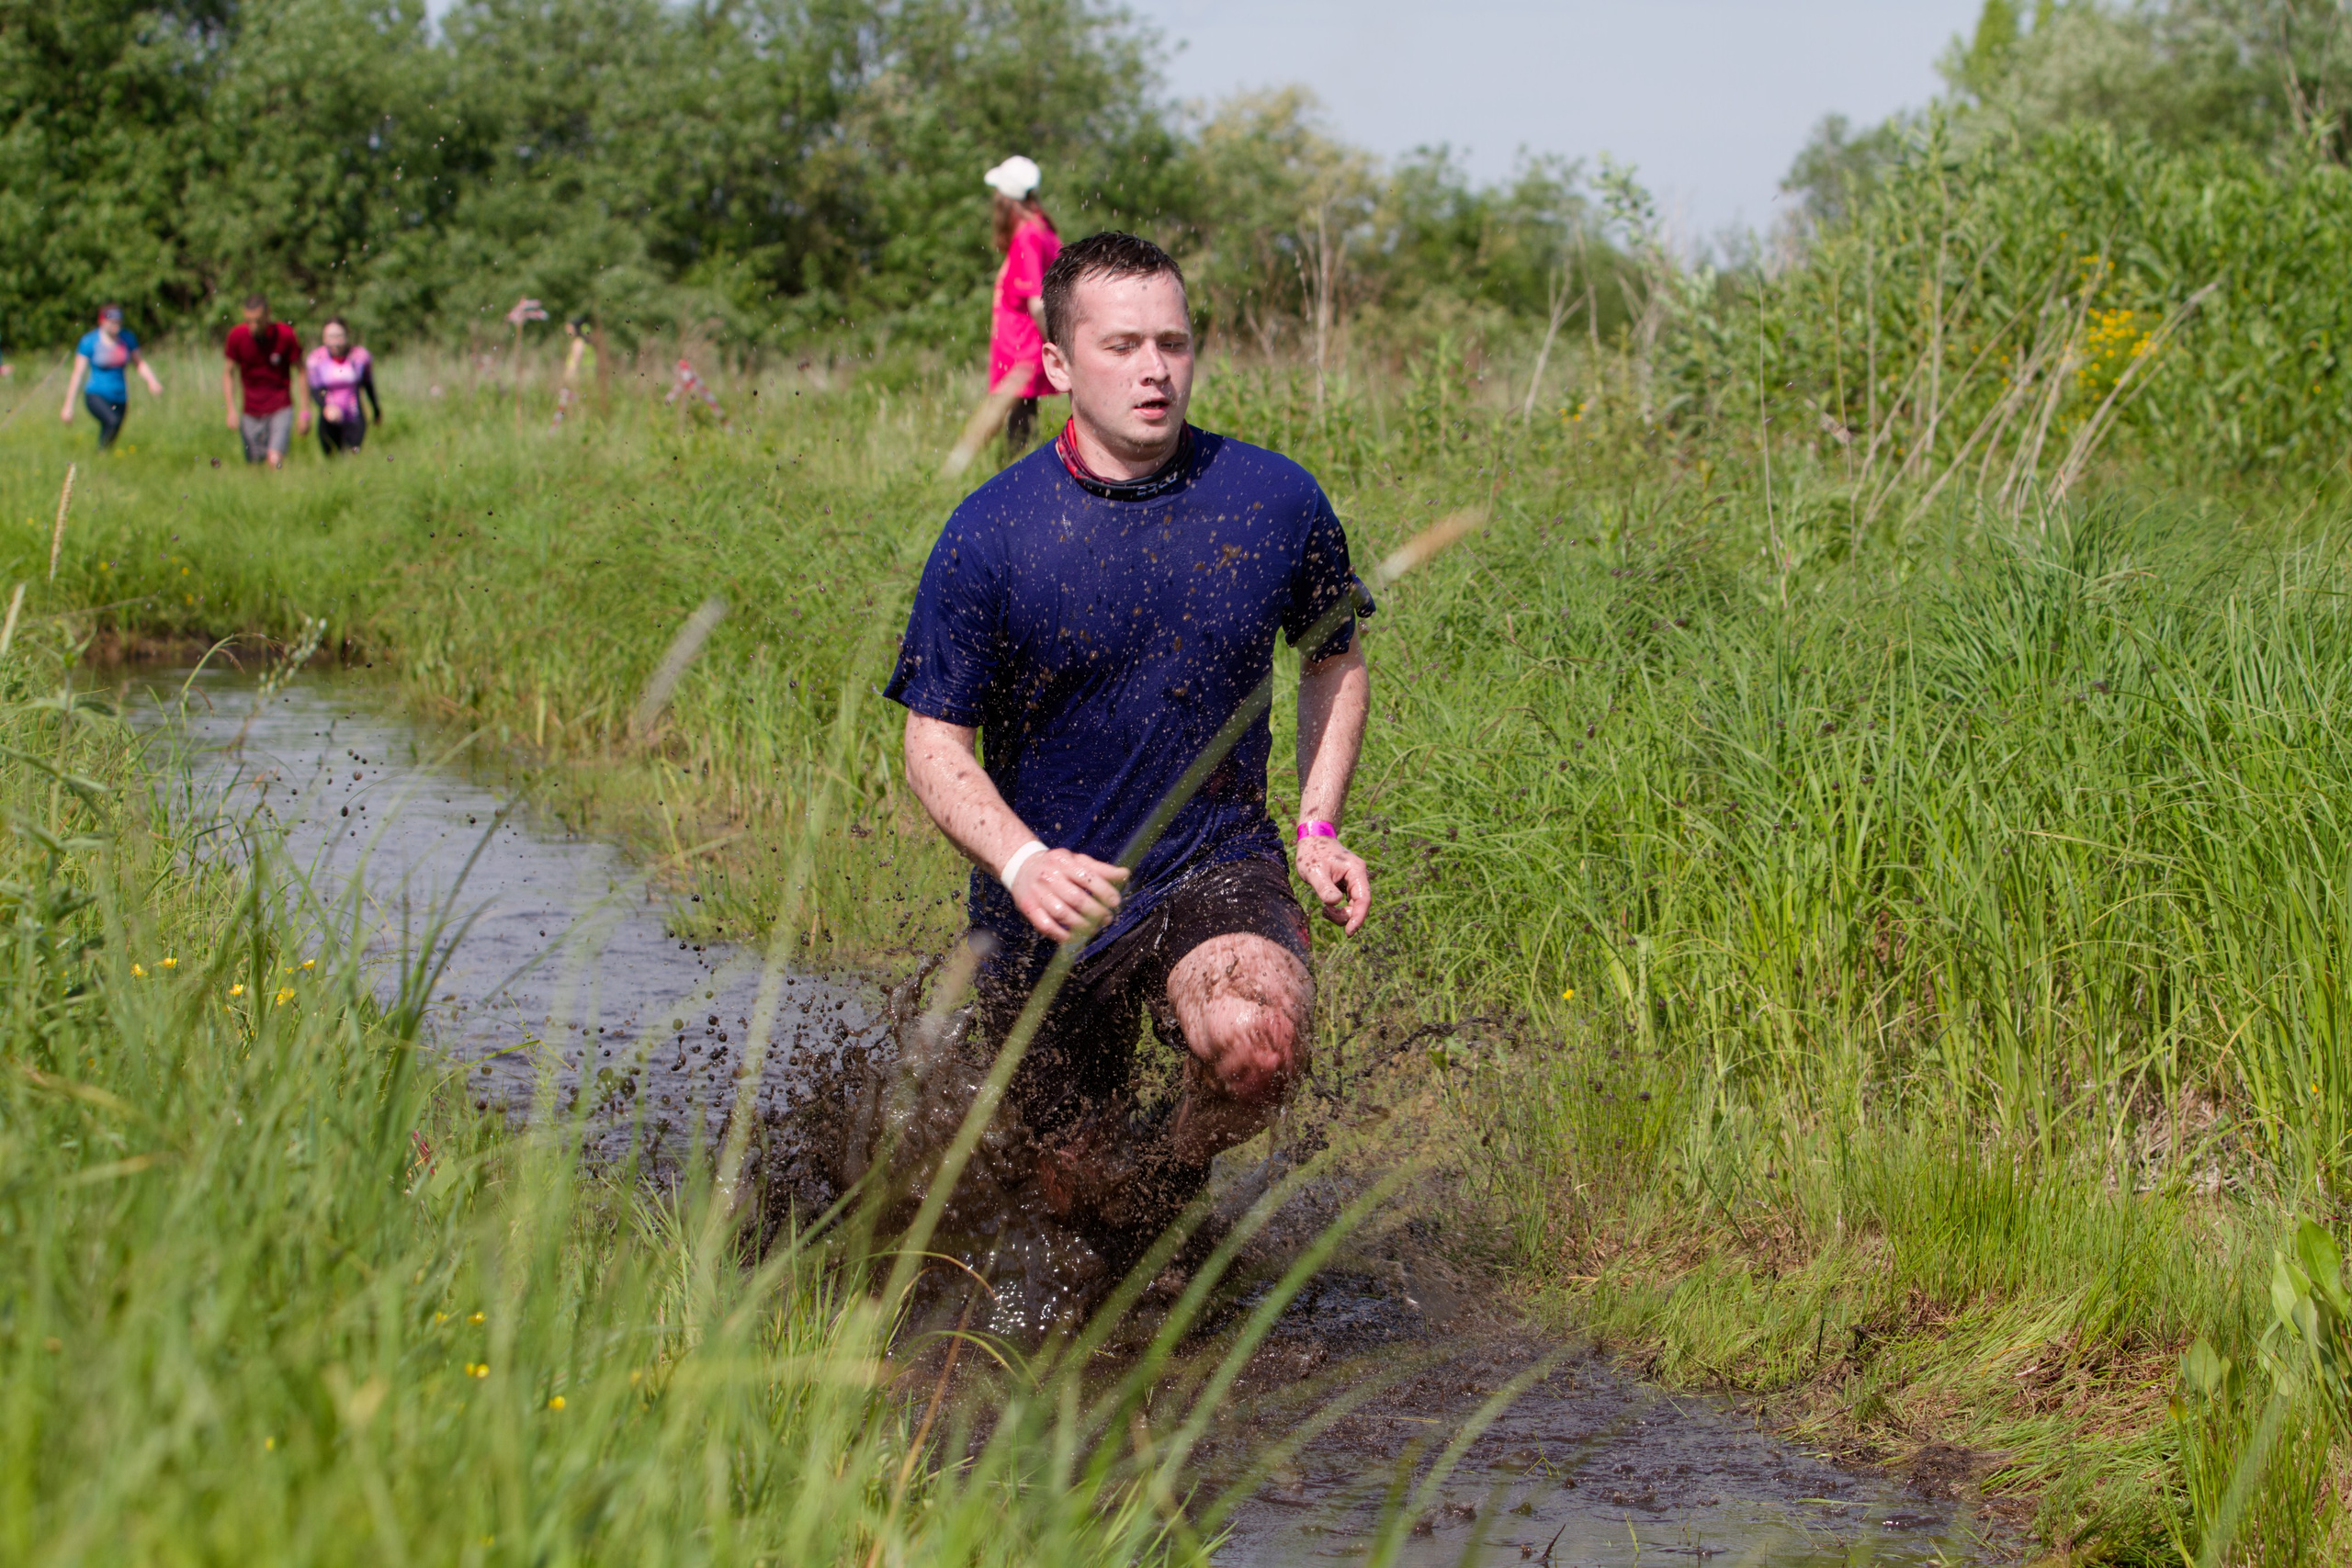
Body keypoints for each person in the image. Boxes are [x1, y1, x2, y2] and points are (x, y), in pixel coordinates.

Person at [888, 231, 1375, 1265]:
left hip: (1212, 867)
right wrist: (1020, 862)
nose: (1153, 369)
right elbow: (933, 742)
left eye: (1173, 342)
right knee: (1072, 1206)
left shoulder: (1274, 501)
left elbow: (1335, 658)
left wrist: (1319, 823)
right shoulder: (991, 533)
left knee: (1258, 1042)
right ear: (1059, 365)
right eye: (1121, 346)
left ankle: (1171, 1166)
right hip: (1044, 904)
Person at [983, 155, 1061, 453]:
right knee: (1022, 414)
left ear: (1006, 199)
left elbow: (1038, 302)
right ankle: (1014, 476)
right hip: (1021, 341)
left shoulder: (1029, 234)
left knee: (1018, 420)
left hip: (1022, 343)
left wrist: (1056, 345)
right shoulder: (1041, 227)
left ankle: (1012, 481)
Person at [60, 305, 163, 450]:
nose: (116, 325)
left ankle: (102, 458)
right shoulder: (89, 342)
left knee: (112, 429)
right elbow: (78, 373)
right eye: (113, 322)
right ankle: (101, 455)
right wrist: (68, 406)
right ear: (102, 322)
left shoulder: (127, 339)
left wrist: (152, 381)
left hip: (120, 396)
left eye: (119, 322)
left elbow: (139, 363)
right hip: (96, 394)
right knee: (112, 422)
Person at [222, 294, 308, 468]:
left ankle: (283, 493)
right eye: (249, 321)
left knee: (274, 459)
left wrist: (305, 412)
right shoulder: (237, 336)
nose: (253, 326)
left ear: (268, 314)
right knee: (255, 465)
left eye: (258, 320)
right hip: (251, 411)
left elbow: (301, 371)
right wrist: (230, 409)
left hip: (281, 407)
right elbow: (228, 373)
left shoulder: (285, 335)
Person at [305, 318, 380, 457]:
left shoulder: (360, 356)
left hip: (354, 415)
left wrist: (376, 409)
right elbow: (315, 389)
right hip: (329, 416)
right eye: (331, 337)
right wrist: (326, 407)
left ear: (347, 336)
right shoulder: (316, 359)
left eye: (339, 336)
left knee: (352, 457)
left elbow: (368, 385)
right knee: (332, 458)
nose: (335, 341)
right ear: (324, 338)